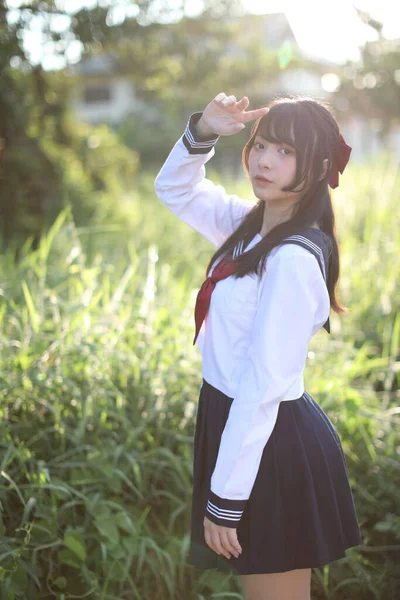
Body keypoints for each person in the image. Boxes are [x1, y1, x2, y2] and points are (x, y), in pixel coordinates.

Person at [154, 92, 363, 600]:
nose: (265, 161)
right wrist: (204, 129)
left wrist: (226, 498)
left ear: (316, 169)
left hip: (266, 442)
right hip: (239, 428)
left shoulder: (291, 258)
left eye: (286, 152)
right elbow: (175, 189)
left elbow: (263, 386)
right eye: (262, 145)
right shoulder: (252, 226)